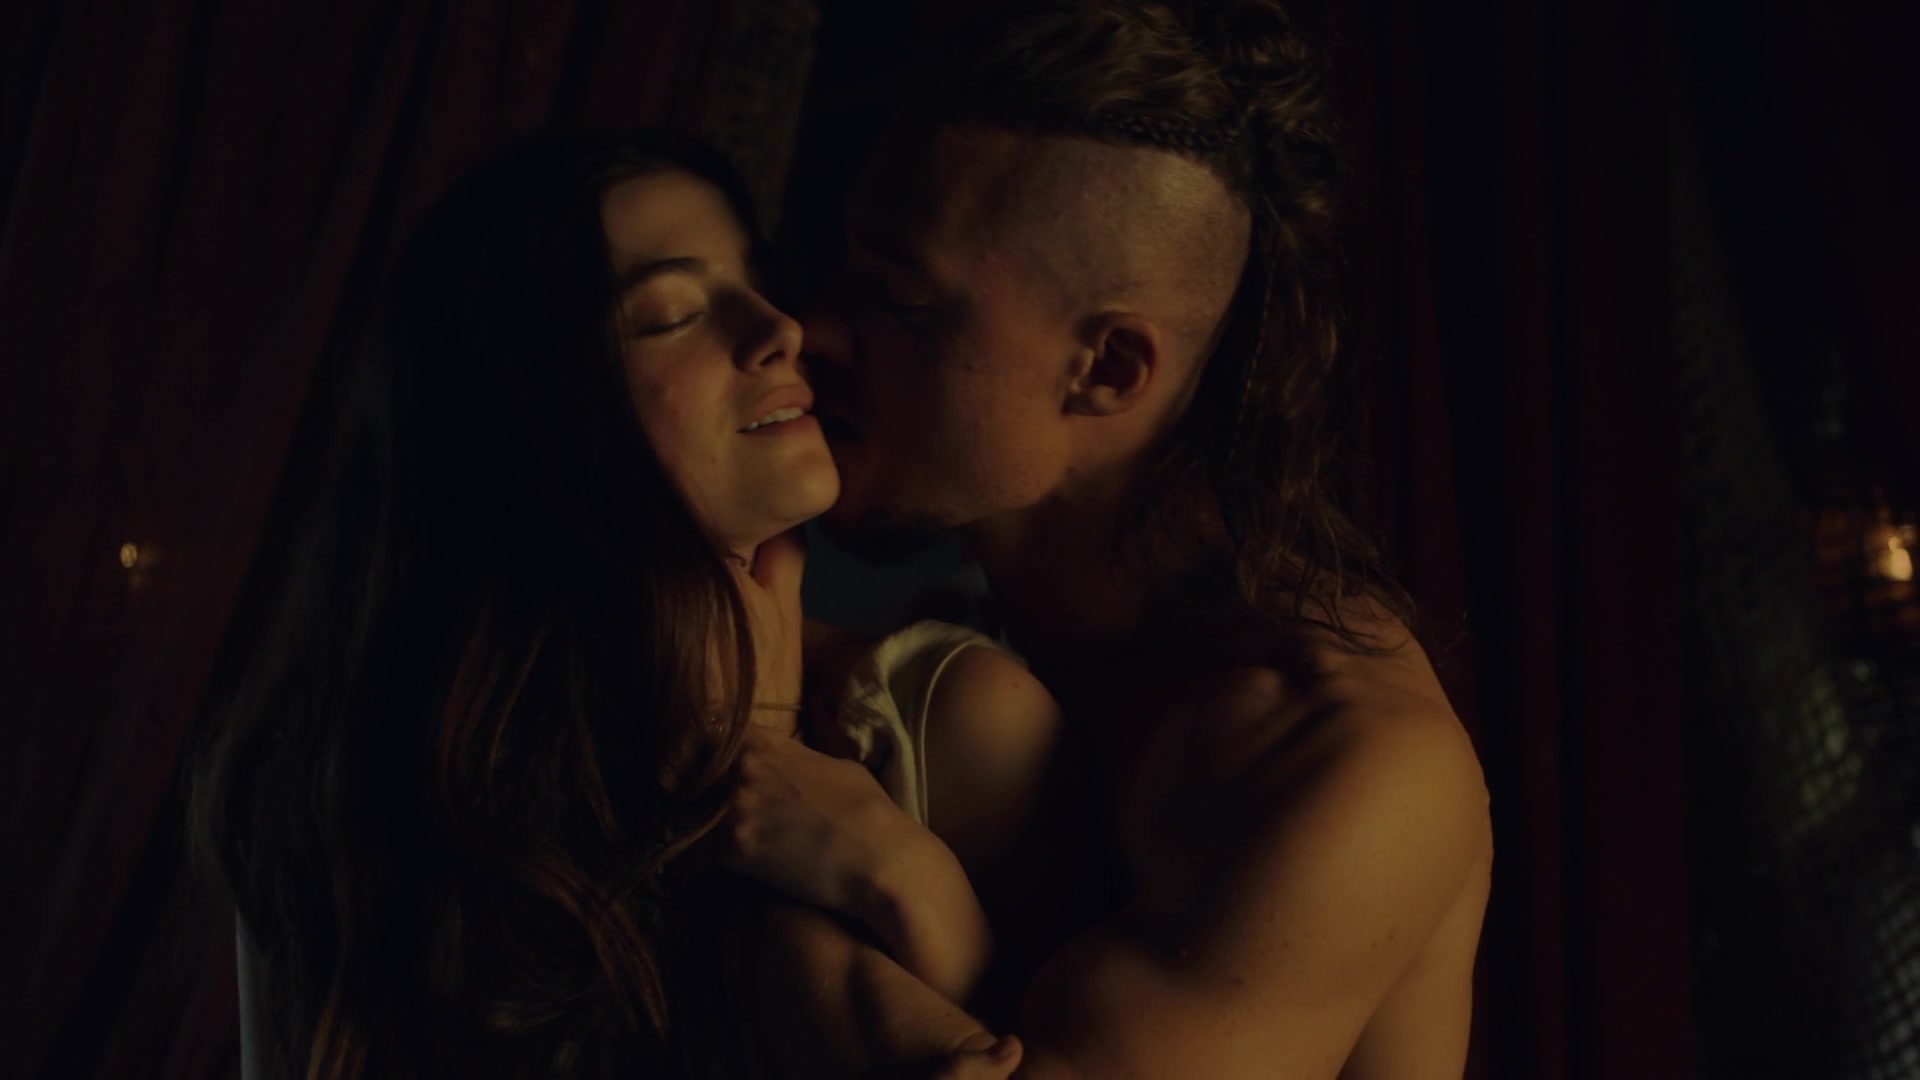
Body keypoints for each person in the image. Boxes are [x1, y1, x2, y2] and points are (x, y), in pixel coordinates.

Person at [187, 129, 1048, 1079]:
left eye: (761, 281)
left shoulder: (945, 716)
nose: (779, 328)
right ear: (535, 419)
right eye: (673, 314)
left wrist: (908, 879)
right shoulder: (350, 791)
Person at [736, 1, 1495, 1076]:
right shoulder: (1019, 625)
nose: (814, 330)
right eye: (847, 260)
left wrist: (814, 839)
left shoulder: (1346, 766)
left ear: (1106, 370)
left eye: (899, 298)